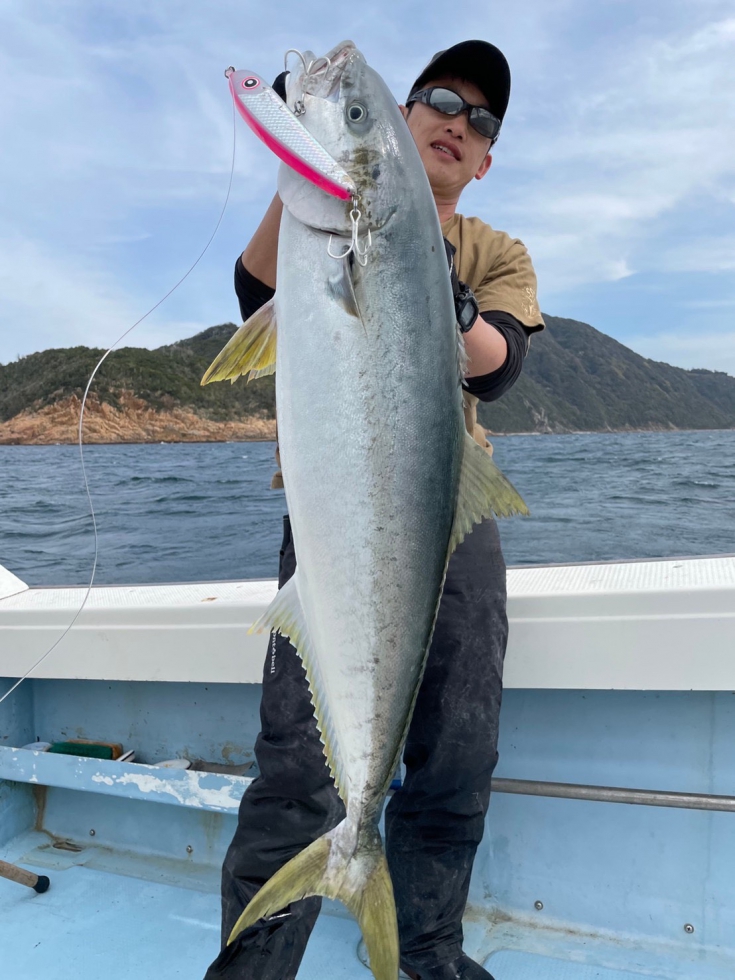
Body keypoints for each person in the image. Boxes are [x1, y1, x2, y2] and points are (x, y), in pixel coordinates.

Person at [204, 39, 544, 980]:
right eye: (440, 100)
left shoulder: (495, 251)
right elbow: (255, 290)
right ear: (402, 120)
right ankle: (253, 968)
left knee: (457, 752)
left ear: (485, 161)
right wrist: (303, 154)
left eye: (481, 120)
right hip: (337, 514)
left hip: (449, 508)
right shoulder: (316, 214)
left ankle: (426, 950)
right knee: (295, 764)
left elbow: (501, 366)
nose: (458, 122)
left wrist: (439, 293)